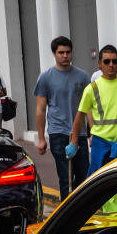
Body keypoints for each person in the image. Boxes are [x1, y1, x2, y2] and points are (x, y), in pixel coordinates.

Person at [66, 44, 117, 176]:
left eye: (114, 61)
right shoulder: (92, 89)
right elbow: (80, 116)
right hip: (101, 146)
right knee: (101, 185)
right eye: (106, 61)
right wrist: (74, 143)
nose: (111, 65)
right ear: (99, 64)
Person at [35, 36, 92, 198]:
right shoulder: (45, 77)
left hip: (79, 134)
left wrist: (92, 132)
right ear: (54, 53)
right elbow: (40, 109)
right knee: (65, 177)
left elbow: (88, 107)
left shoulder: (82, 76)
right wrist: (41, 138)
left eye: (68, 52)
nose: (65, 56)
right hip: (58, 133)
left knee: (82, 177)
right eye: (61, 52)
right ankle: (67, 212)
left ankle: (80, 207)